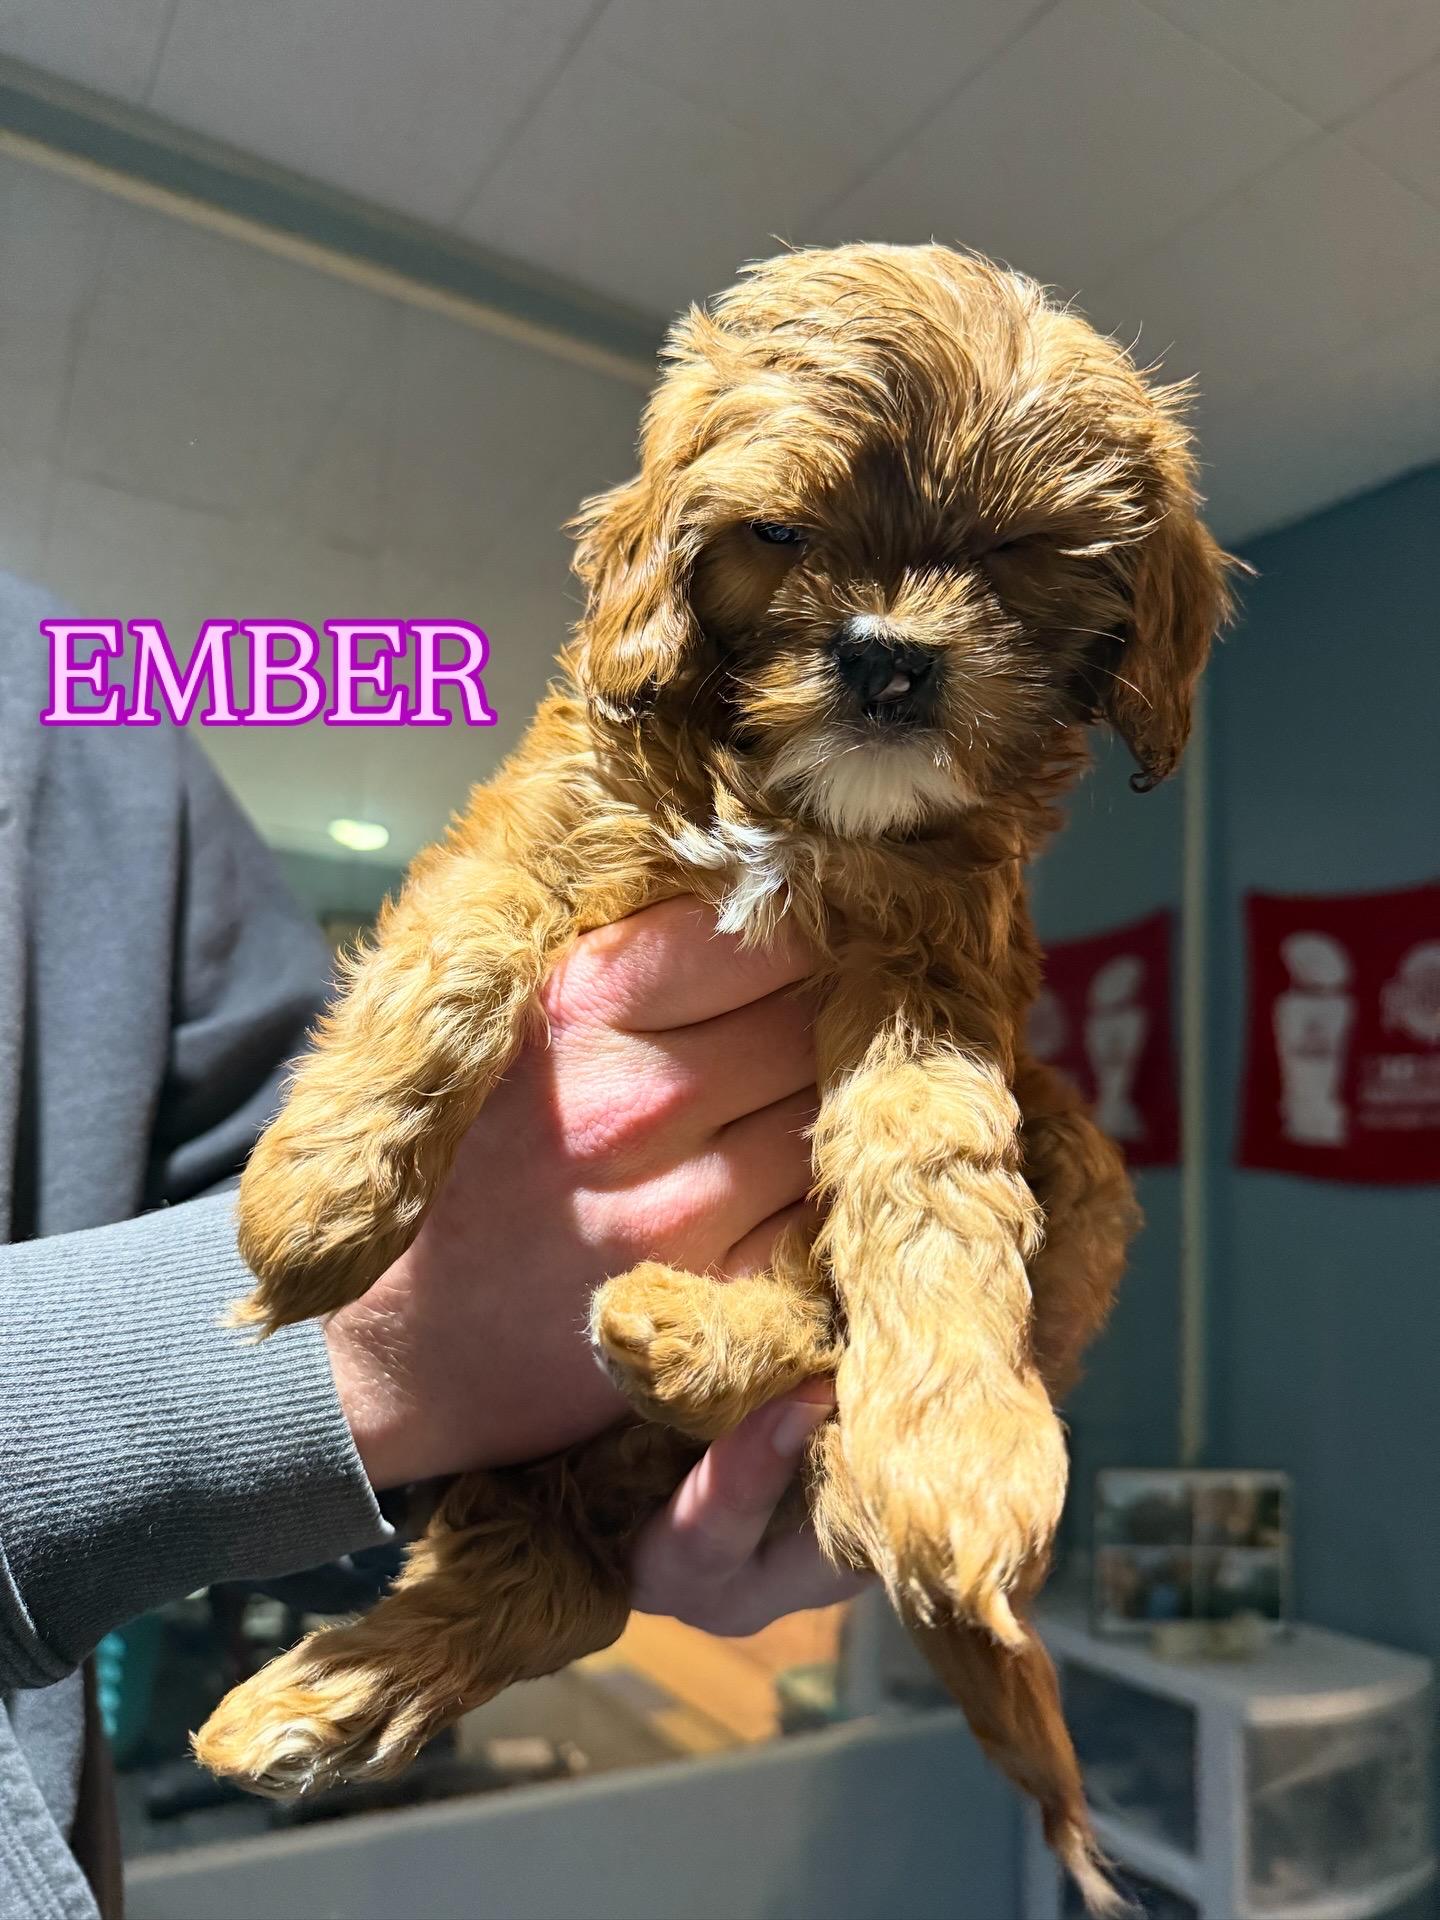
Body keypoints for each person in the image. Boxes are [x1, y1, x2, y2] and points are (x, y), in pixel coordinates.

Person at [0, 577, 864, 1920]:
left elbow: (277, 1144)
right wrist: (380, 1347)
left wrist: (604, 1464)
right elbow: (344, 1249)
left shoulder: (85, 717)